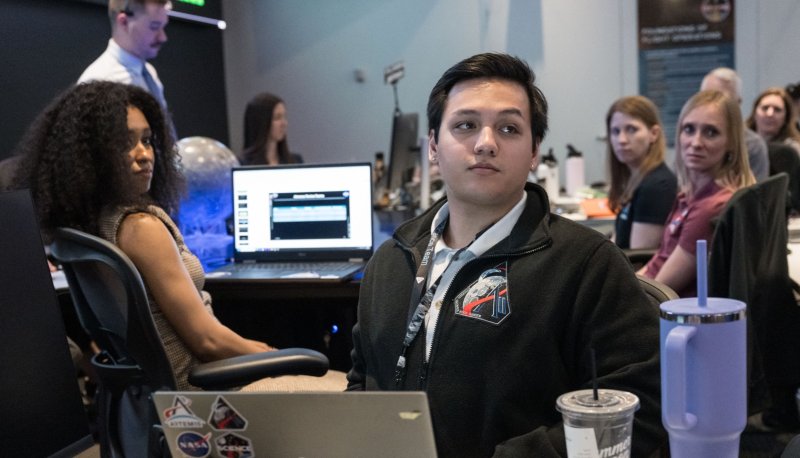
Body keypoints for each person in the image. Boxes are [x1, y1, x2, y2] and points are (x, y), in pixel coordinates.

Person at [346, 52, 664, 457]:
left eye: (509, 128)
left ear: (534, 153)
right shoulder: (391, 262)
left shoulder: (587, 265)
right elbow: (363, 384)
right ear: (432, 147)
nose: (485, 143)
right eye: (465, 125)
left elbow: (638, 406)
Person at [13, 81, 344, 391]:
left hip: (176, 391)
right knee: (354, 387)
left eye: (146, 140)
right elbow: (208, 343)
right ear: (92, 156)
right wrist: (274, 357)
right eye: (125, 144)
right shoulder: (141, 227)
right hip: (211, 391)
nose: (144, 154)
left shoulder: (89, 225)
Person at [640, 90, 755, 297]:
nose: (695, 142)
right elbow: (659, 260)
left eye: (711, 132)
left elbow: (661, 287)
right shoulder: (688, 194)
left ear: (731, 142)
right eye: (689, 129)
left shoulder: (712, 207)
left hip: (673, 318)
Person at [605, 95, 677, 249]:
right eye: (615, 131)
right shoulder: (636, 179)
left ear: (654, 134)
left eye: (631, 129)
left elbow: (637, 257)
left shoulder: (657, 186)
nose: (621, 140)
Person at [79, 0, 172, 115]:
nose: (163, 37)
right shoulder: (99, 84)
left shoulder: (150, 73)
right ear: (123, 22)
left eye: (163, 27)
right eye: (154, 27)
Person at [701, 67, 770, 181]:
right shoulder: (689, 138)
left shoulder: (752, 145)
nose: (710, 105)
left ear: (737, 103)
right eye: (705, 97)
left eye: (719, 99)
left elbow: (757, 194)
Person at [240, 92, 303, 165]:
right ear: (262, 122)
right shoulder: (242, 164)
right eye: (277, 118)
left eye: (284, 117)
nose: (284, 123)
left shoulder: (295, 161)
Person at [747, 87, 800, 155]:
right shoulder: (741, 143)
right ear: (754, 113)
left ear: (786, 117)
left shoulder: (793, 149)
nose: (770, 114)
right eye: (765, 108)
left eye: (777, 110)